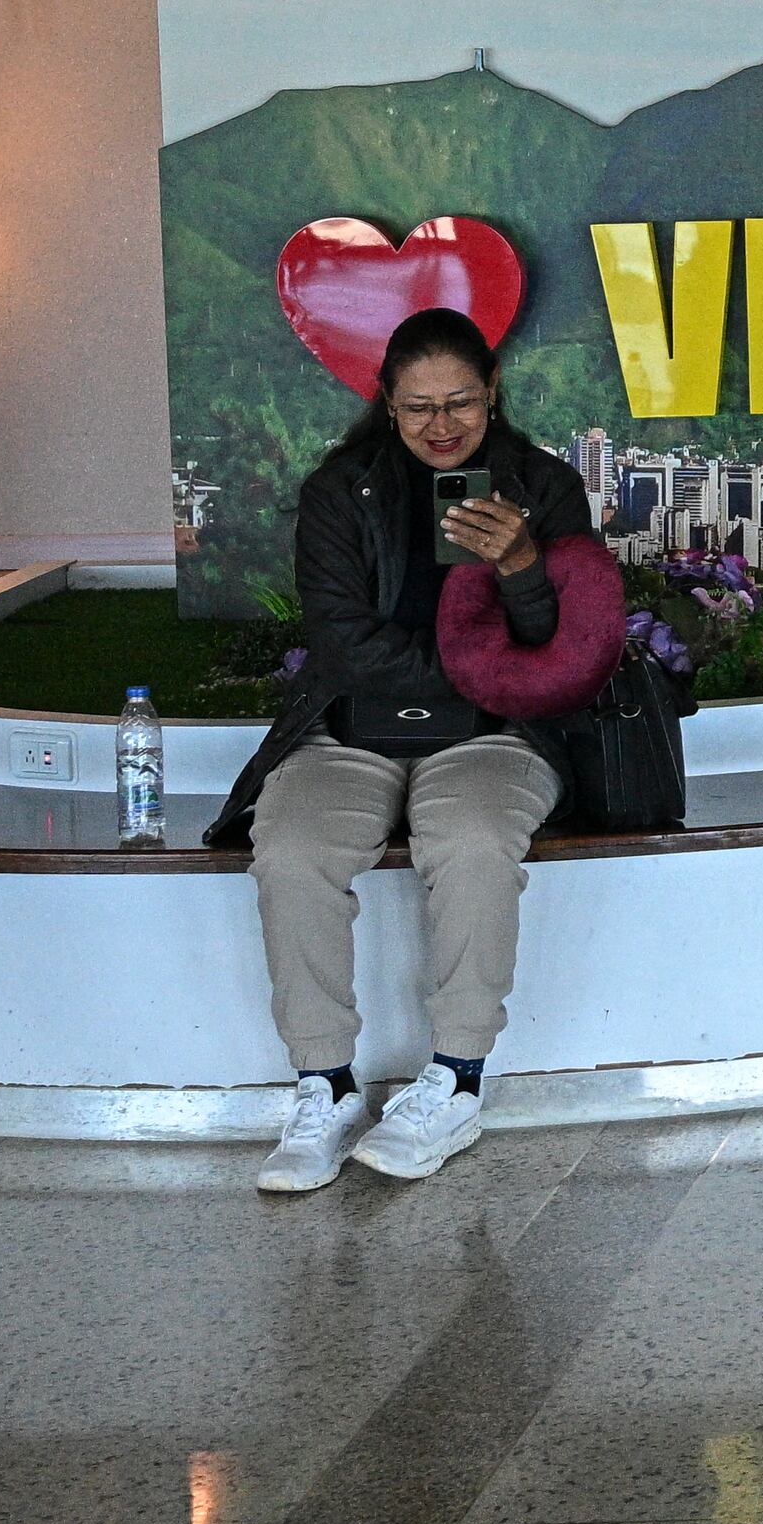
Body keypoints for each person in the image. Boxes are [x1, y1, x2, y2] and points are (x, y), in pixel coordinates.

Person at [205, 308, 599, 1193]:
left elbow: (570, 640)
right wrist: (480, 666)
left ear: (493, 393)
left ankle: (456, 1081)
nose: (441, 425)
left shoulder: (543, 487)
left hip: (499, 732)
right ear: (387, 404)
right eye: (418, 407)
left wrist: (524, 568)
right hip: (353, 727)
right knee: (294, 847)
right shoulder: (341, 491)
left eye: (460, 402)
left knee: (470, 841)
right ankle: (326, 1086)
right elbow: (342, 643)